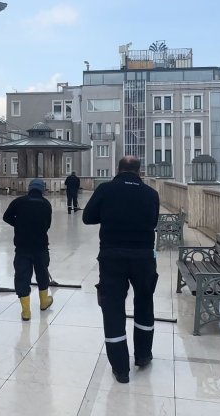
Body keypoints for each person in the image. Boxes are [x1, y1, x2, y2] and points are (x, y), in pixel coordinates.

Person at [82, 156, 160, 384]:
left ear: (118, 169)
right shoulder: (151, 194)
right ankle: (143, 356)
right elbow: (153, 222)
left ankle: (121, 368)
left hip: (112, 256)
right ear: (139, 171)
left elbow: (88, 217)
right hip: (144, 258)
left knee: (113, 308)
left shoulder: (106, 189)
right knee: (145, 303)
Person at [3, 178, 54, 321]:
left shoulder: (19, 202)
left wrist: (19, 224)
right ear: (42, 189)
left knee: (22, 276)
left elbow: (6, 217)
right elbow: (48, 224)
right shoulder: (46, 204)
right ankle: (44, 302)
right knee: (42, 273)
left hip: (22, 247)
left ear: (29, 188)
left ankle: (26, 311)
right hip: (40, 247)